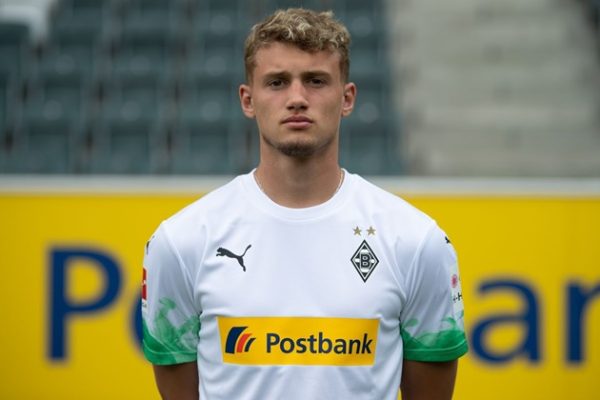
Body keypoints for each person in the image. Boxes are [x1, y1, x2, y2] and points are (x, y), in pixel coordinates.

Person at [142, 8, 467, 400]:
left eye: (316, 81)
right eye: (277, 82)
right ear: (248, 100)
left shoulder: (417, 242)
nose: (297, 98)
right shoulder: (181, 242)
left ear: (347, 98)